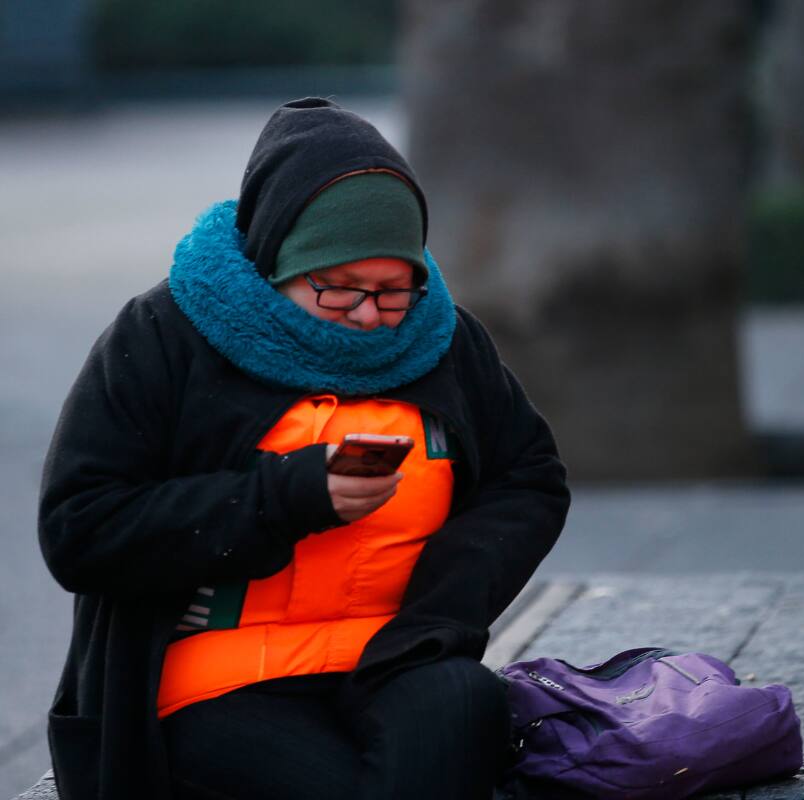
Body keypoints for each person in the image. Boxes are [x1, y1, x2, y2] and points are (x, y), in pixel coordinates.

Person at [38, 97, 570, 800]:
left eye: (393, 291)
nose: (369, 315)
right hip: (212, 678)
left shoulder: (444, 337)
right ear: (277, 261)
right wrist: (284, 496)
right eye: (339, 289)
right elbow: (80, 528)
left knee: (465, 704)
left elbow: (529, 478)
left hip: (396, 655)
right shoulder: (163, 334)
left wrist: (441, 611)